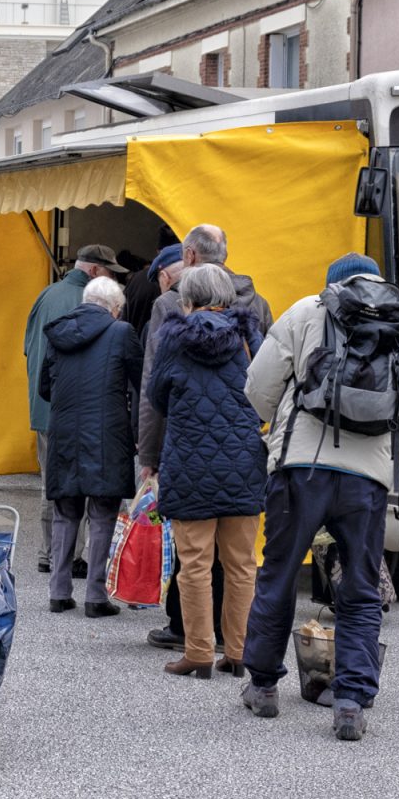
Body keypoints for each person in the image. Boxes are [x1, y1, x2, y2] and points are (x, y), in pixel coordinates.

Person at [241, 253, 399, 739]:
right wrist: (386, 439)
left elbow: (258, 387)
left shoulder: (306, 310)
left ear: (334, 283)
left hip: (302, 467)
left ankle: (263, 686)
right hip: (366, 477)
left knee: (280, 574)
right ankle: (350, 701)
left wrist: (279, 422)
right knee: (362, 587)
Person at [139, 224, 272, 653]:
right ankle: (238, 653)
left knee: (194, 564)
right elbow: (270, 389)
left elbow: (155, 396)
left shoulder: (172, 333)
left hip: (188, 461)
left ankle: (197, 652)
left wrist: (150, 454)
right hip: (243, 461)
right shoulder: (253, 329)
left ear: (188, 296)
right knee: (242, 565)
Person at [39, 276, 143, 617]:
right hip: (107, 434)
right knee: (102, 513)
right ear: (114, 308)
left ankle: (58, 591)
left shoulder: (58, 332)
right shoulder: (121, 332)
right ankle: (96, 597)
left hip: (65, 430)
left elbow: (45, 388)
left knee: (66, 511)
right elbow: (141, 381)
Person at [24, 244, 127, 575]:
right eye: (110, 273)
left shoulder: (46, 294)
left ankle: (47, 553)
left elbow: (27, 349)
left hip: (44, 407)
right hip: (77, 411)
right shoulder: (88, 304)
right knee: (81, 485)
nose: (112, 279)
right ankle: (71, 559)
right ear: (95, 271)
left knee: (50, 483)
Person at [122, 226, 181, 336]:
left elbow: (125, 317)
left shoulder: (137, 279)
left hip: (138, 346)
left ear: (158, 251)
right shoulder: (194, 280)